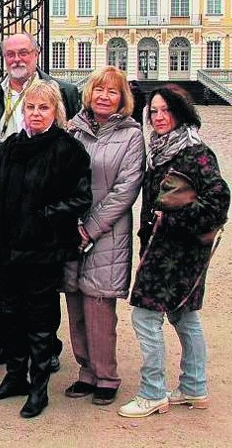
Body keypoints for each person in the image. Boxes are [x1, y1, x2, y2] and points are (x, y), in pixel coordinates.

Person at [0, 80, 92, 418]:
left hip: (45, 248)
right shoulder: (10, 146)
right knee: (10, 313)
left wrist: (44, 215)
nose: (36, 114)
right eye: (31, 107)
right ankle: (15, 377)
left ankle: (38, 388)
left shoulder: (68, 149)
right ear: (23, 111)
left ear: (56, 112)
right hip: (9, 247)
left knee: (40, 320)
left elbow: (81, 198)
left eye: (44, 108)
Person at [118, 84, 230, 418]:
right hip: (162, 247)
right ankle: (194, 387)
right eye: (153, 111)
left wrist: (174, 218)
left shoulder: (195, 153)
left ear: (181, 113)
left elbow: (218, 202)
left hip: (178, 252)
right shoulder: (160, 149)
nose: (159, 117)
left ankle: (153, 392)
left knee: (145, 316)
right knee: (184, 316)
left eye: (166, 110)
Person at [0, 32, 80, 369]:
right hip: (4, 199)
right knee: (6, 283)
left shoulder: (64, 91)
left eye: (23, 52)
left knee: (42, 290)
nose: (17, 59)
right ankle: (10, 344)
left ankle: (46, 350)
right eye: (10, 54)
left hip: (42, 205)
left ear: (37, 53)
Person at [62, 66, 145, 407]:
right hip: (71, 229)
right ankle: (85, 371)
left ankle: (106, 374)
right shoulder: (73, 130)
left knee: (99, 306)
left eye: (112, 92)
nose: (104, 97)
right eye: (99, 90)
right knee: (75, 302)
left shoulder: (131, 134)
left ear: (122, 98)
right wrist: (68, 222)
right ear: (89, 93)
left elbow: (126, 190)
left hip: (107, 232)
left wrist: (90, 227)